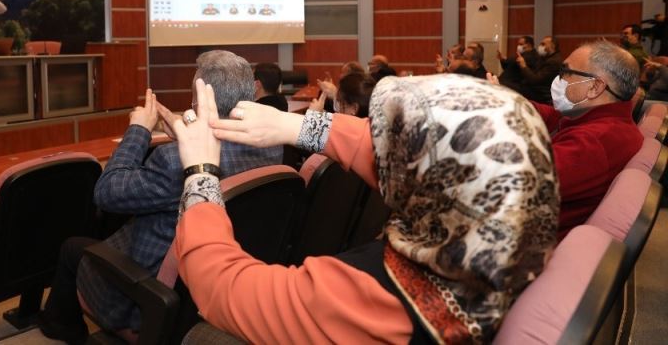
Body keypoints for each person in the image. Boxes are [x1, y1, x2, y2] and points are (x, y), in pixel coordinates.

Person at [169, 74, 557, 343]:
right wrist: (295, 127)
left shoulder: (374, 299)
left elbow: (222, 286)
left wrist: (201, 171)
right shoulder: (510, 232)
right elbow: (393, 156)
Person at [37, 51, 283, 342]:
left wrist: (138, 130)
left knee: (72, 248)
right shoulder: (271, 144)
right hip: (221, 282)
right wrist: (186, 138)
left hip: (144, 297)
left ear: (203, 104)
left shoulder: (171, 161)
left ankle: (62, 327)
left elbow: (106, 192)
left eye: (193, 100)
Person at [491, 39, 641, 238]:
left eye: (566, 72)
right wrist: (504, 100)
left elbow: (513, 179)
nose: (558, 79)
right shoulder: (602, 120)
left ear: (595, 87)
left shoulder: (593, 141)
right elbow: (549, 116)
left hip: (522, 237)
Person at [517, 36, 562, 104]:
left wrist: (524, 66)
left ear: (552, 46)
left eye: (543, 44)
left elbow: (535, 80)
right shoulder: (545, 58)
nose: (540, 46)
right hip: (536, 90)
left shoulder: (553, 62)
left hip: (542, 95)